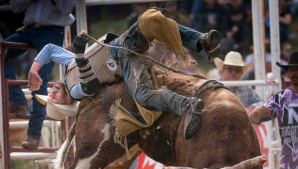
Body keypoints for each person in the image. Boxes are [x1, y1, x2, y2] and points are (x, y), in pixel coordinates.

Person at [28, 8, 222, 140]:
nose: (51, 93)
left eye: (50, 95)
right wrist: (79, 55)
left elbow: (50, 50)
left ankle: (201, 41)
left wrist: (33, 70)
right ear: (66, 103)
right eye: (53, 99)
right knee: (143, 95)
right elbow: (90, 86)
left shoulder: (68, 66)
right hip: (125, 61)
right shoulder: (74, 92)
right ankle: (187, 104)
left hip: (121, 46)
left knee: (149, 20)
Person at [4, 0, 76, 149]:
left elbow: (66, 8)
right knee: (2, 53)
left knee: (40, 79)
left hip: (52, 30)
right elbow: (16, 7)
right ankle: (17, 99)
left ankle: (34, 134)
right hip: (29, 29)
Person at [214, 51, 265, 116]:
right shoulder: (215, 87)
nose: (233, 72)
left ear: (241, 73)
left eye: (237, 69)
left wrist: (252, 108)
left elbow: (261, 102)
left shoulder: (246, 87)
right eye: (230, 69)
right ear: (223, 71)